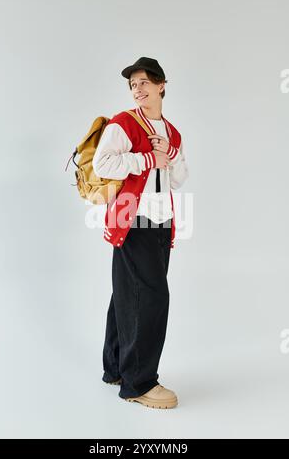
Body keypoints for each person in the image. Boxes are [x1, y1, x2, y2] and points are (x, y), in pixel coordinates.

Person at [92, 57, 189, 409]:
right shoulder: (123, 124)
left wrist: (169, 153)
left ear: (162, 85)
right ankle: (139, 382)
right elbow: (104, 163)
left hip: (162, 223)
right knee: (151, 299)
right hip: (134, 221)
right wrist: (148, 158)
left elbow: (178, 178)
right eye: (133, 84)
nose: (138, 89)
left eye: (144, 82)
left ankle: (116, 368)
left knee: (127, 293)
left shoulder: (172, 131)